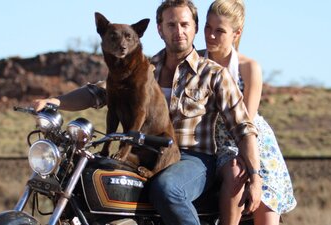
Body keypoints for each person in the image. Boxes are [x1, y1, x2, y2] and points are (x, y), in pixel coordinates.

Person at [33, 1, 262, 225]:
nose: (179, 31)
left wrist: (256, 176)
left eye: (185, 24)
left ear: (194, 28)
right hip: (142, 153)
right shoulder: (146, 68)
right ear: (159, 29)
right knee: (92, 178)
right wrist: (55, 101)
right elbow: (98, 92)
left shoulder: (213, 74)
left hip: (193, 158)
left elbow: (243, 128)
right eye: (171, 25)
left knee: (167, 189)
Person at [202, 0, 297, 224]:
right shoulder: (195, 62)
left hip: (253, 140)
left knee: (265, 197)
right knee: (235, 174)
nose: (211, 35)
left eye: (219, 31)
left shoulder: (249, 67)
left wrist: (252, 166)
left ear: (237, 33)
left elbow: (246, 120)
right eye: (208, 27)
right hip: (218, 144)